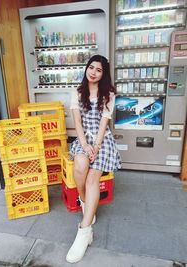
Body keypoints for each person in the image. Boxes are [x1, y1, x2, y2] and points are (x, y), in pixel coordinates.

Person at [66, 54, 121, 263]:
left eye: (99, 70)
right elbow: (78, 123)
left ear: (103, 74)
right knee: (80, 166)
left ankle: (84, 231)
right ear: (86, 68)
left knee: (92, 179)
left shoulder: (109, 94)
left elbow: (103, 125)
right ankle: (84, 200)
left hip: (102, 140)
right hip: (84, 138)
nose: (94, 72)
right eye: (91, 67)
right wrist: (85, 145)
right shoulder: (77, 93)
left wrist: (96, 147)